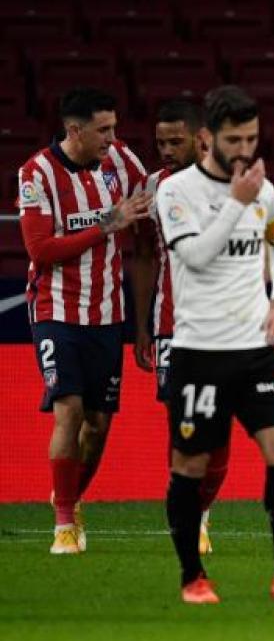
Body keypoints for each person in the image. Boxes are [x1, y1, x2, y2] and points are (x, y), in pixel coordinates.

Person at [156, 85, 274, 603]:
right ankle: (192, 578)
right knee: (191, 466)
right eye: (234, 139)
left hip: (253, 347)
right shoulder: (177, 192)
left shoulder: (264, 191)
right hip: (199, 351)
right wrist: (234, 204)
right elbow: (194, 258)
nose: (245, 149)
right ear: (206, 139)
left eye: (252, 138)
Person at [17, 87, 149, 555]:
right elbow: (40, 250)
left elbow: (153, 194)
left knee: (98, 425)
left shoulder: (120, 163)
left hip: (108, 313)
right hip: (56, 309)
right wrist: (106, 226)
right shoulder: (36, 173)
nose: (113, 139)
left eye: (114, 128)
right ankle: (64, 525)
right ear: (75, 131)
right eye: (104, 130)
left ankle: (68, 495)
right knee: (69, 410)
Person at [133, 99, 227, 557]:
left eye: (176, 141)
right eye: (160, 142)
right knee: (185, 425)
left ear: (200, 138)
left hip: (227, 328)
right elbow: (147, 256)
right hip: (173, 326)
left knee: (220, 429)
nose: (167, 150)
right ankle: (194, 518)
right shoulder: (152, 188)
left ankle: (202, 508)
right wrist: (142, 325)